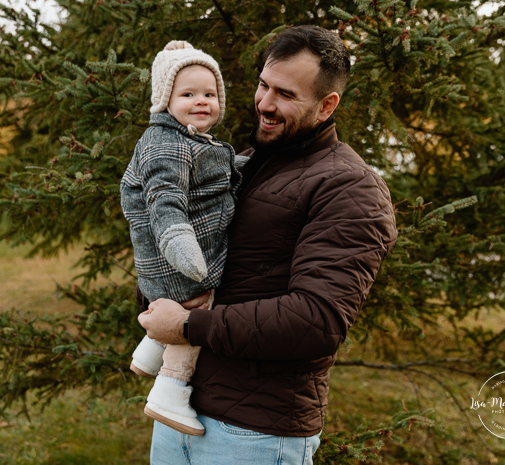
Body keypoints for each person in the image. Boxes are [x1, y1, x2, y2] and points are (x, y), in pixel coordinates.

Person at [138, 25, 398, 464]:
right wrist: (156, 294)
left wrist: (185, 326)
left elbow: (315, 321)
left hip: (254, 436)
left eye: (286, 94)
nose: (265, 103)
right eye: (263, 84)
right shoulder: (244, 162)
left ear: (327, 104)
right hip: (177, 414)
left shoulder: (351, 188)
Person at [120, 40, 245, 436]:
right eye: (187, 94)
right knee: (198, 305)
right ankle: (170, 390)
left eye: (209, 93)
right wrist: (181, 246)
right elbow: (165, 201)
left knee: (187, 300)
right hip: (176, 256)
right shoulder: (167, 146)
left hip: (167, 259)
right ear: (165, 99)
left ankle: (150, 350)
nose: (201, 101)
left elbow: (209, 175)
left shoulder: (188, 139)